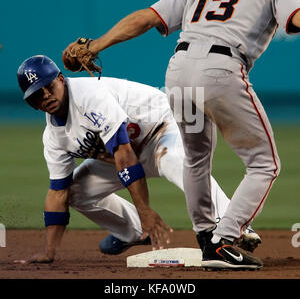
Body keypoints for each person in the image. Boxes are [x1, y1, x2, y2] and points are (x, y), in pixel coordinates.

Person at [63, 0, 300, 270]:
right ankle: (224, 239)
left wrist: (96, 44)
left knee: (196, 159)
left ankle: (206, 236)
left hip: (178, 71)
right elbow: (296, 19)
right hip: (221, 71)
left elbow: (146, 18)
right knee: (264, 164)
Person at [16, 55, 259, 263]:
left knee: (175, 160)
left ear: (60, 79)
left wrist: (146, 210)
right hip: (125, 152)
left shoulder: (86, 95)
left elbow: (125, 155)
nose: (46, 95)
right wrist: (49, 251)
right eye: (38, 94)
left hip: (162, 129)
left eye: (49, 86)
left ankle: (233, 224)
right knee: (74, 192)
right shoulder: (53, 139)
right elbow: (57, 193)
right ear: (31, 103)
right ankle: (132, 232)